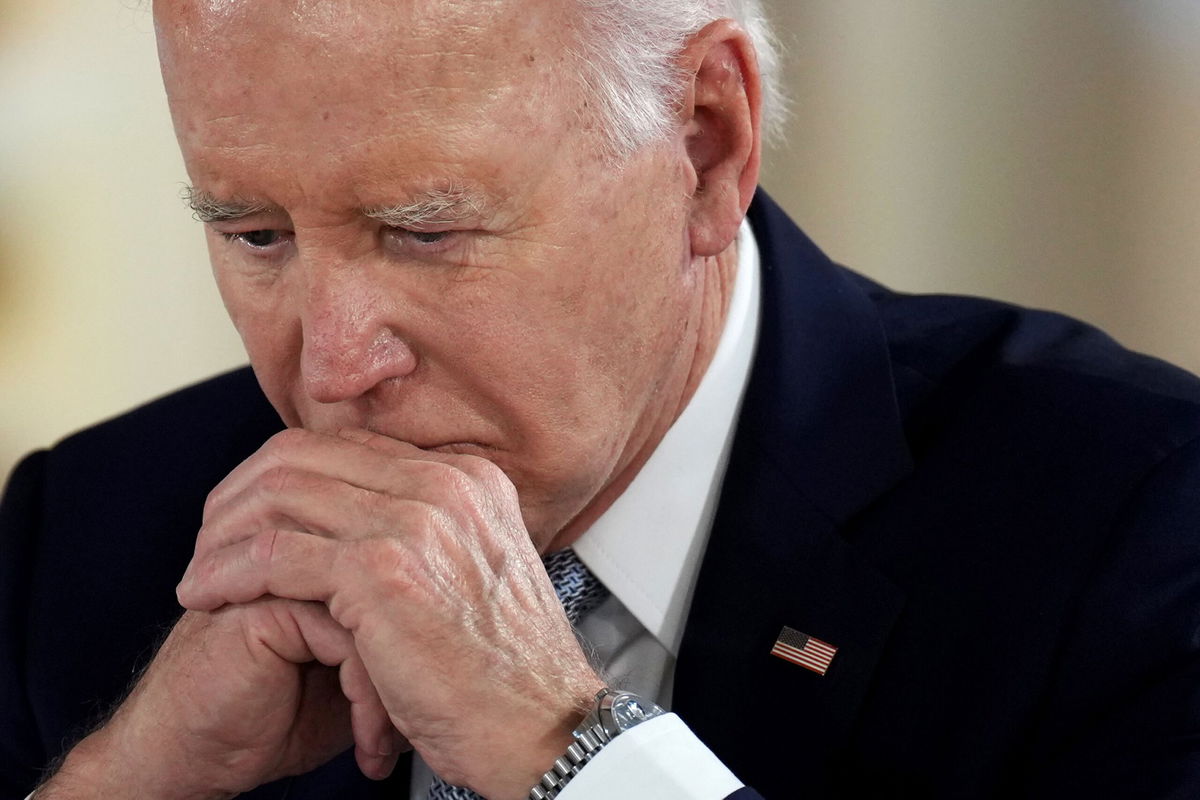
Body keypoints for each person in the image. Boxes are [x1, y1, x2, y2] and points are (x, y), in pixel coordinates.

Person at [3, 0, 1199, 798]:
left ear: (706, 142)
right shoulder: (88, 534)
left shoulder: (1136, 523)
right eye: (257, 236)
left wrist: (563, 748)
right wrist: (132, 774)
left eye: (422, 231)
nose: (327, 368)